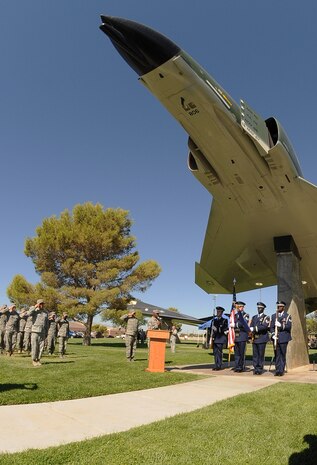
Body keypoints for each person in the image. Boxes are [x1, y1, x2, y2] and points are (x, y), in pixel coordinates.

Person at [270, 301, 292, 376]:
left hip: (283, 338)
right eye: (278, 306)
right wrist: (273, 334)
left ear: (283, 307)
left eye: (280, 306)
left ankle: (281, 370)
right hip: (276, 338)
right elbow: (271, 327)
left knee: (282, 354)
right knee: (277, 354)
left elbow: (289, 327)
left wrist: (281, 326)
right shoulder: (273, 316)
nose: (278, 307)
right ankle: (277, 370)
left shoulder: (288, 316)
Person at [249, 302, 270, 375]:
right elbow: (251, 326)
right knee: (255, 355)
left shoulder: (266, 317)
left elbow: (264, 327)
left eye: (260, 308)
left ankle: (260, 369)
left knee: (260, 354)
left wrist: (254, 328)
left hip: (262, 338)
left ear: (263, 309)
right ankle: (256, 368)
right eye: (258, 308)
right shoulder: (254, 317)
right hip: (255, 338)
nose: (259, 309)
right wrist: (251, 330)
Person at [27, 299, 49, 366]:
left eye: (43, 303)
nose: (42, 305)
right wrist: (34, 307)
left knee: (41, 347)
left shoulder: (45, 312)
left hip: (42, 332)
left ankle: (38, 359)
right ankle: (34, 360)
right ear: (38, 304)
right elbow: (28, 313)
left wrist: (46, 332)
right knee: (34, 346)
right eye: (40, 303)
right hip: (35, 331)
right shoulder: (34, 310)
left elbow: (47, 323)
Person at [231, 301, 249, 372]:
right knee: (236, 353)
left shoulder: (246, 315)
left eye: (240, 307)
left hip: (242, 336)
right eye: (237, 307)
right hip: (236, 336)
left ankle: (241, 367)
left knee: (241, 353)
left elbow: (244, 324)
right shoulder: (235, 315)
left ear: (243, 307)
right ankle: (237, 366)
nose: (238, 308)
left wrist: (235, 325)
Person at [211, 306, 228, 370]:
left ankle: (219, 365)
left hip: (221, 338)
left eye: (219, 312)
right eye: (217, 311)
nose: (218, 313)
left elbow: (224, 329)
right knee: (215, 353)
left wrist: (216, 329)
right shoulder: (214, 320)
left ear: (222, 313)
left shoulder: (224, 320)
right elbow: (211, 330)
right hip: (215, 339)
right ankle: (216, 365)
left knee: (219, 353)